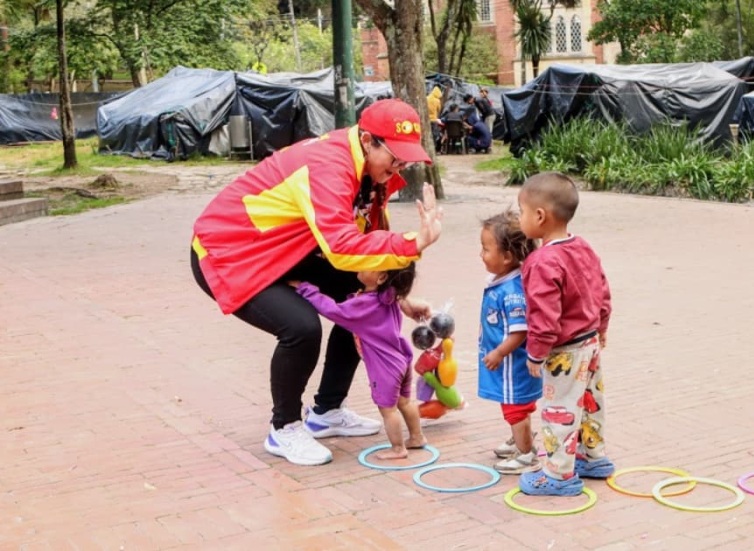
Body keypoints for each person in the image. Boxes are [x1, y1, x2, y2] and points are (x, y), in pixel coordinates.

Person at [190, 98, 443, 466]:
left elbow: (368, 249)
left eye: (408, 157)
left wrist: (397, 298)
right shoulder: (329, 166)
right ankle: (285, 428)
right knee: (301, 328)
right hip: (231, 253)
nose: (401, 165)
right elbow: (342, 249)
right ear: (369, 140)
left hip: (290, 251)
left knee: (362, 302)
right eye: (396, 155)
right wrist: (413, 242)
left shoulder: (369, 171)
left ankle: (326, 412)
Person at [515, 172, 613, 496]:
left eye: (522, 212)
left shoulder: (542, 261)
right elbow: (601, 289)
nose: (520, 218)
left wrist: (536, 352)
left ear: (540, 216)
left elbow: (545, 315)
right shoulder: (582, 247)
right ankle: (592, 456)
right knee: (590, 401)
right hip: (589, 343)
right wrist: (601, 326)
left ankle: (557, 475)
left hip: (566, 352)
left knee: (560, 409)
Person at [292, 264, 426, 461]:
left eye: (367, 264)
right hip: (401, 359)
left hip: (385, 368)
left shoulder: (364, 305)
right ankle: (417, 437)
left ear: (380, 277)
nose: (361, 264)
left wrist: (306, 289)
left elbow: (332, 310)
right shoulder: (390, 294)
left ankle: (398, 449)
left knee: (388, 410)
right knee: (405, 402)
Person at [477, 210, 541, 474]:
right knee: (515, 407)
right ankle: (520, 440)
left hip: (512, 366)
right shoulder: (502, 280)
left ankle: (527, 455)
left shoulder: (512, 291)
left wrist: (499, 353)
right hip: (507, 365)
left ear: (507, 257)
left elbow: (520, 331)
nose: (481, 254)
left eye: (485, 249)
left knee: (516, 408)